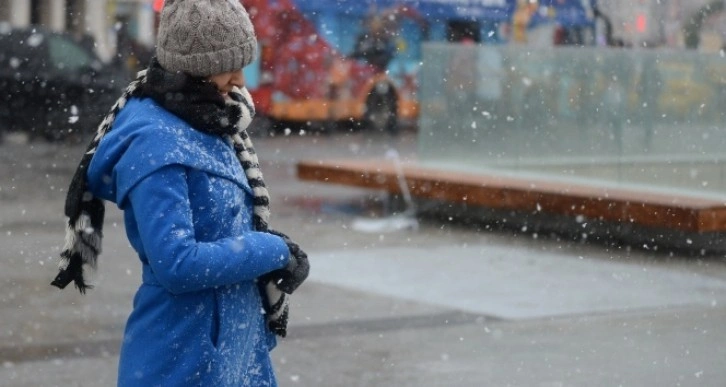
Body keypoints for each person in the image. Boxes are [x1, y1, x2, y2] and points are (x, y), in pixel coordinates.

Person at [50, 0, 309, 385]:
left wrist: (272, 249)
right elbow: (177, 263)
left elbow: (224, 229)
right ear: (196, 69)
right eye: (231, 65)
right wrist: (271, 252)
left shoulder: (211, 121)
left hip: (232, 352)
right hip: (185, 357)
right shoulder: (156, 142)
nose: (241, 80)